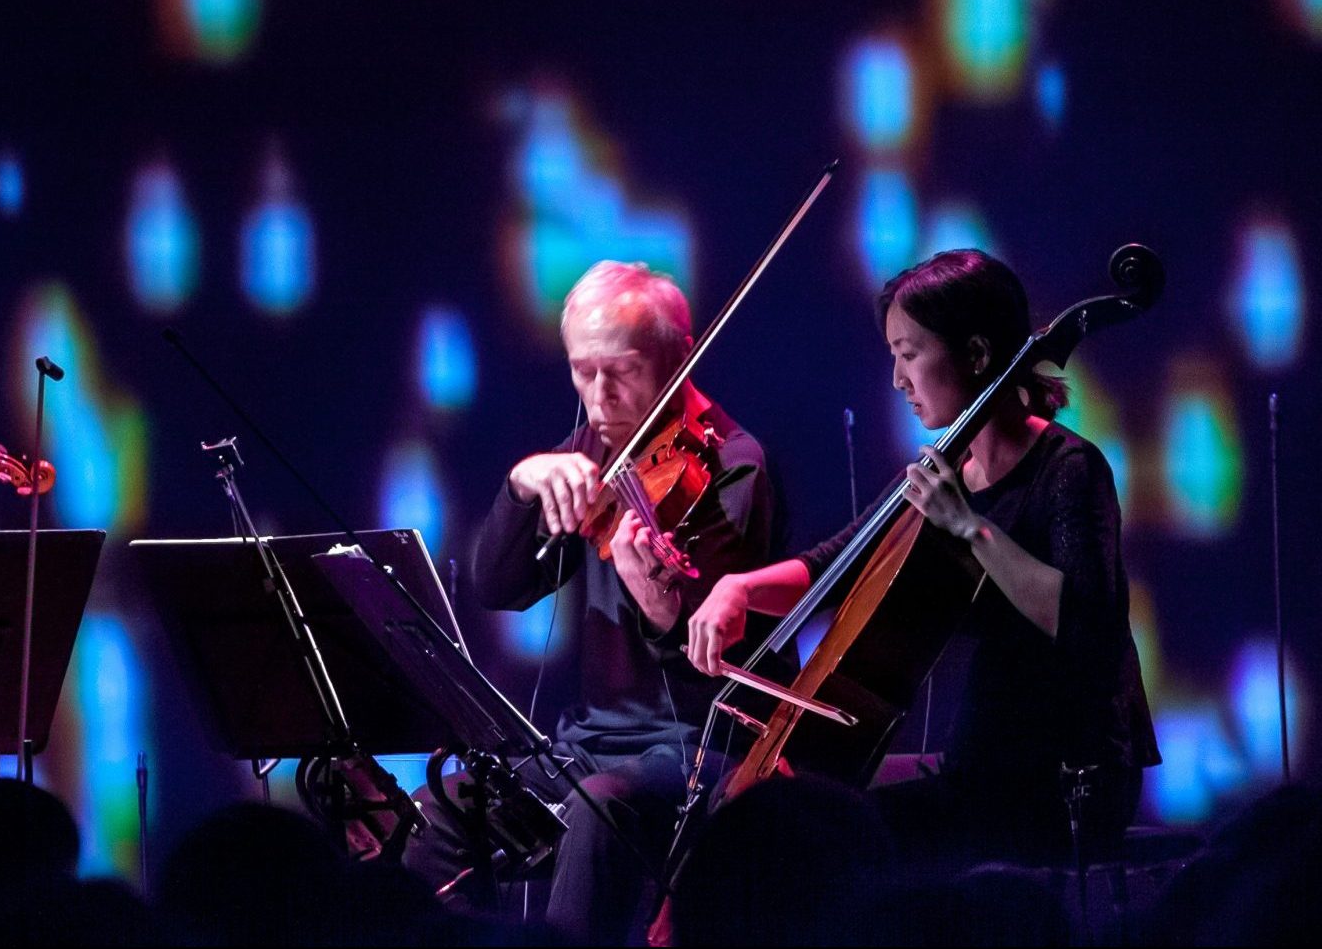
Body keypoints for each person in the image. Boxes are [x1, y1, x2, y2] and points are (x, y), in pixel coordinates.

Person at [686, 249, 1159, 865]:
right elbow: (838, 565)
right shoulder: (948, 473)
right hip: (983, 762)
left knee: (834, 843)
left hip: (1066, 774)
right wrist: (740, 590)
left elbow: (1085, 624)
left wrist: (967, 528)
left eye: (909, 353)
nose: (897, 379)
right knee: (785, 803)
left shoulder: (1069, 469)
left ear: (977, 354)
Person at [405, 260, 784, 943]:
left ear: (679, 357)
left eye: (623, 370)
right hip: (593, 741)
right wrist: (524, 482)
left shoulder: (733, 462)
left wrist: (656, 591)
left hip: (699, 748)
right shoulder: (590, 448)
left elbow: (714, 655)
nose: (600, 396)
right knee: (440, 809)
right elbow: (501, 586)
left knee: (597, 808)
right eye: (583, 372)